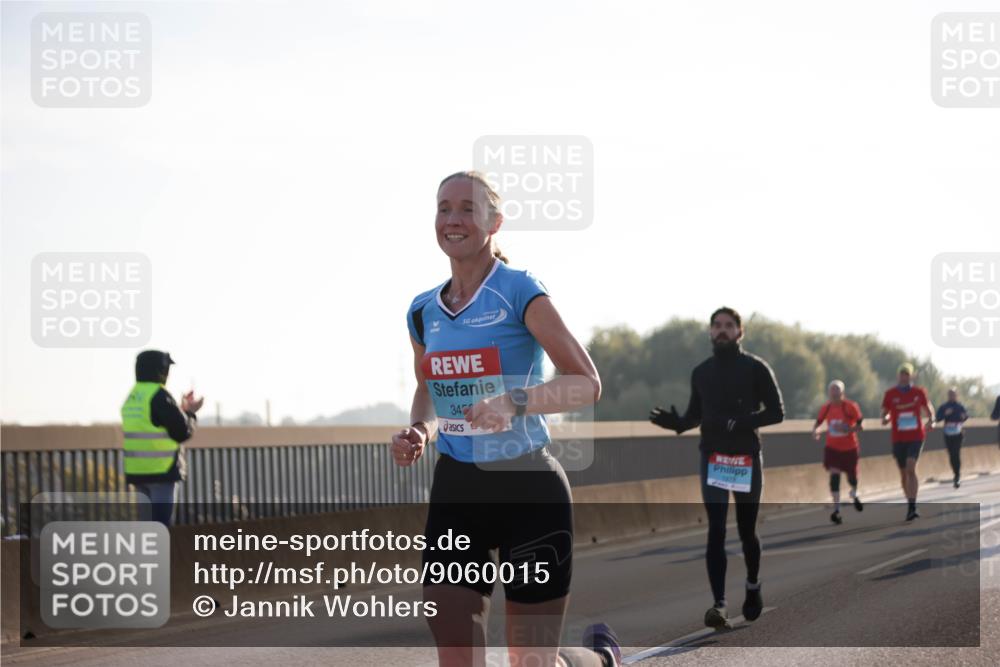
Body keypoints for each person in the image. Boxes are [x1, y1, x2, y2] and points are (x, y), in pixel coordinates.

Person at [391, 171, 619, 667]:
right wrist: (419, 431)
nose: (453, 219)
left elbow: (586, 382)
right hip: (457, 489)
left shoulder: (520, 290)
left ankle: (595, 661)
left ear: (495, 221)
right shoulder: (422, 310)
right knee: (456, 654)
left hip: (528, 486)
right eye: (443, 207)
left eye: (467, 209)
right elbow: (429, 389)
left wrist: (512, 402)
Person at [649, 307, 784, 630]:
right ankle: (719, 605)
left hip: (745, 458)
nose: (722, 331)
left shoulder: (755, 368)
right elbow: (695, 415)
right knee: (716, 530)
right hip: (714, 458)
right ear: (710, 332)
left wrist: (743, 421)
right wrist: (677, 424)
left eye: (728, 326)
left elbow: (777, 413)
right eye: (717, 326)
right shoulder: (701, 372)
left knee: (747, 530)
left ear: (740, 332)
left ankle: (752, 586)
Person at [121, 350, 203, 526]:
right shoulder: (159, 395)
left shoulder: (133, 396)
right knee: (161, 528)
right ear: (161, 371)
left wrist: (180, 409)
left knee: (147, 529)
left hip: (138, 472)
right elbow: (181, 432)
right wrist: (190, 412)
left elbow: (154, 422)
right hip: (162, 472)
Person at [880, 362, 934, 521]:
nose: (904, 376)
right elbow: (885, 412)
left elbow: (928, 407)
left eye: (907, 374)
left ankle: (913, 506)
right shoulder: (890, 394)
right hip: (898, 438)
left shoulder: (919, 392)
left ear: (911, 376)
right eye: (902, 374)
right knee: (903, 474)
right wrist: (885, 418)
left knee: (911, 467)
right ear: (898, 376)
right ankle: (909, 502)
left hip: (916, 436)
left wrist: (932, 420)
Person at [812, 380, 864, 525]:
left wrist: (849, 429)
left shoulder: (850, 406)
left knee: (852, 477)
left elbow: (861, 425)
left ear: (842, 393)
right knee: (834, 475)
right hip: (833, 448)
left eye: (837, 391)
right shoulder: (826, 408)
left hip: (850, 448)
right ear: (829, 393)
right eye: (832, 391)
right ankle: (837, 509)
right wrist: (816, 431)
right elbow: (818, 423)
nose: (834, 394)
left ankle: (854, 493)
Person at [936, 388, 969, 488]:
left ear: (956, 395)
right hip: (948, 433)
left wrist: (964, 417)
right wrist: (945, 414)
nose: (952, 396)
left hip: (958, 433)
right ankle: (955, 473)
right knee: (951, 454)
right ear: (948, 395)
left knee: (956, 453)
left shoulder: (960, 406)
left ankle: (957, 476)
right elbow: (937, 418)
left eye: (953, 394)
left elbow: (966, 416)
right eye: (950, 394)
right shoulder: (944, 406)